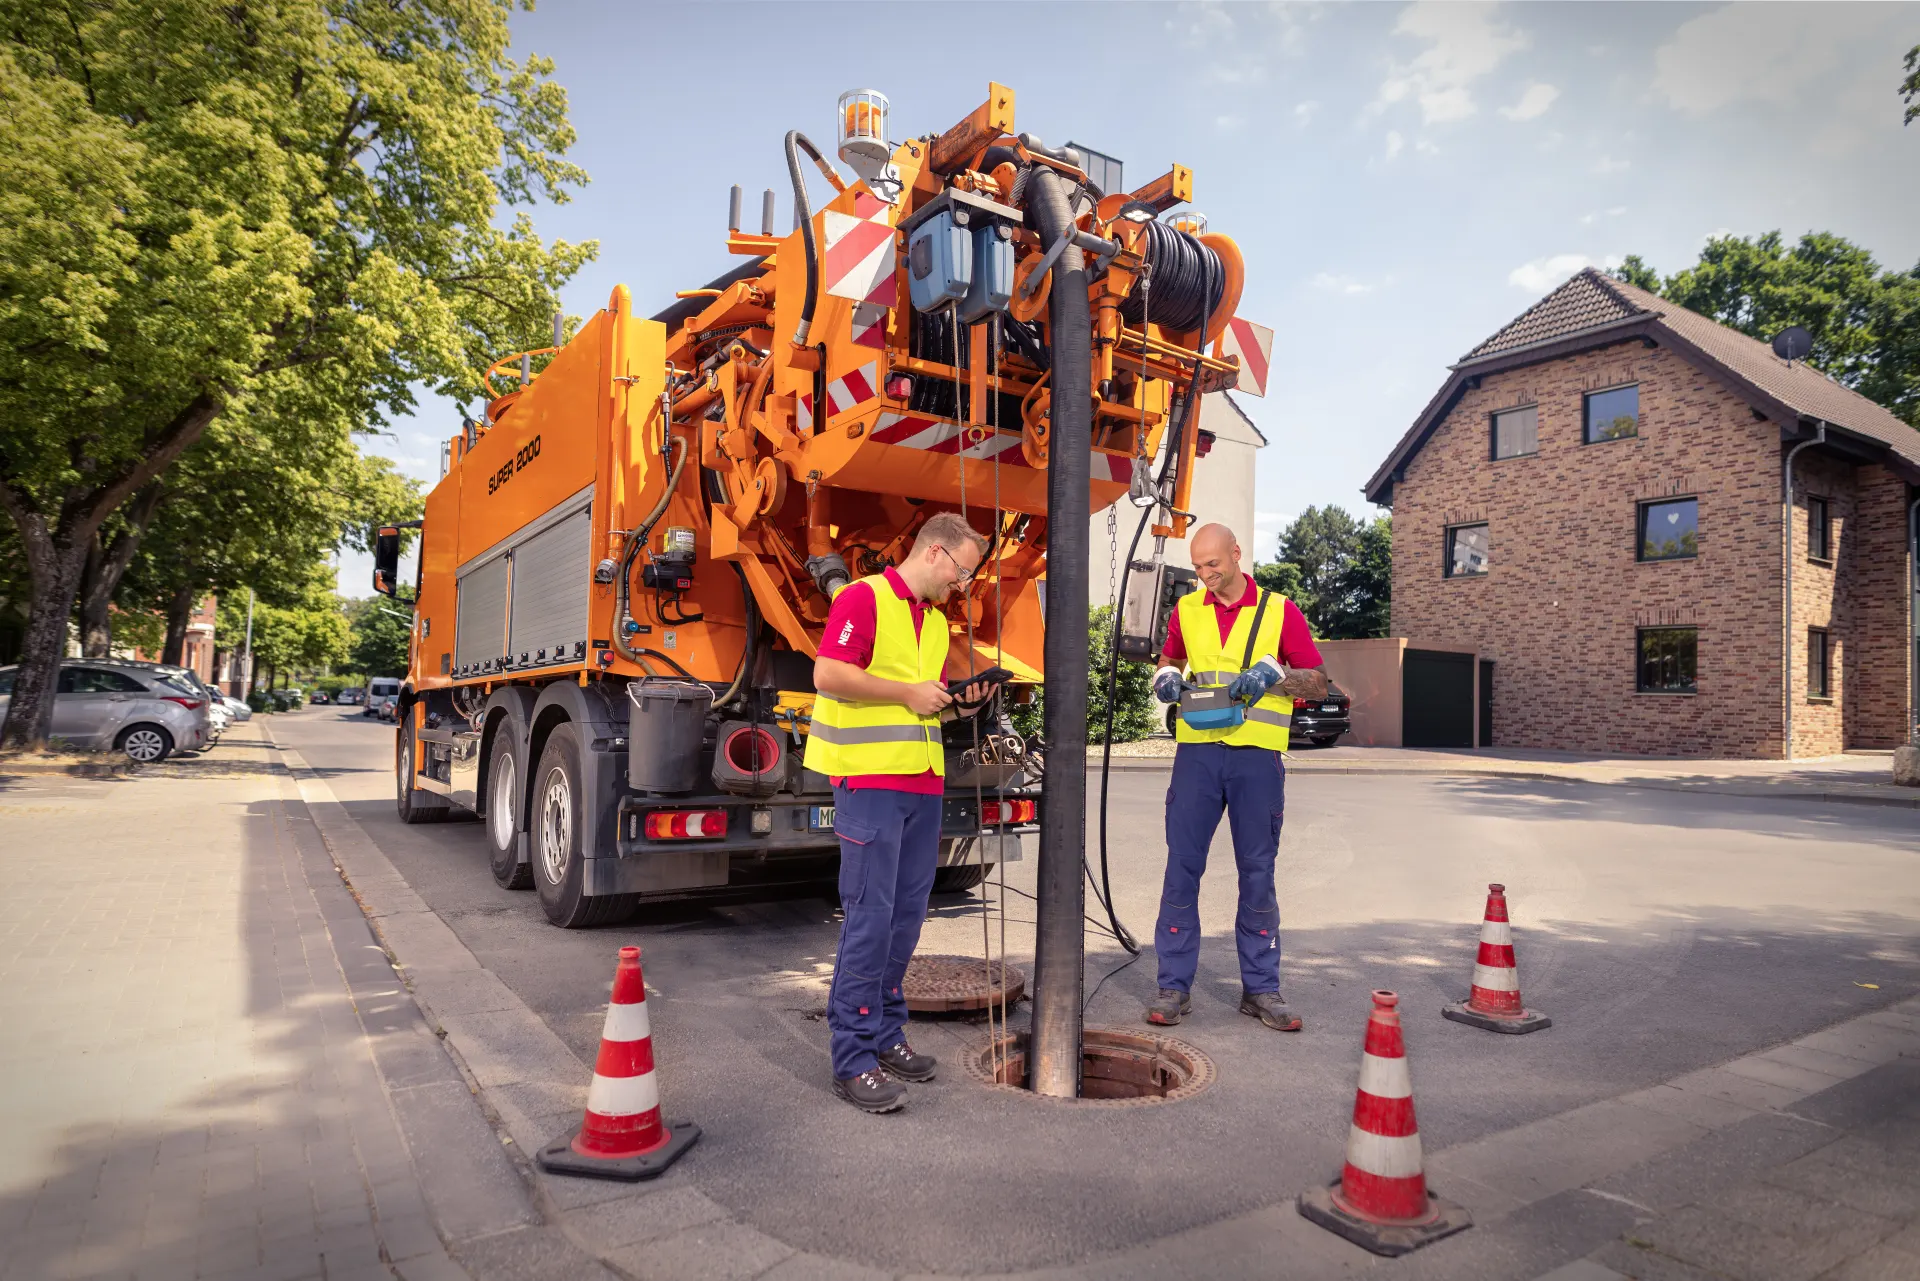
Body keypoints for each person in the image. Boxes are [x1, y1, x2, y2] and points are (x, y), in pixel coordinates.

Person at [806, 513, 994, 1113]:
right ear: (936, 553)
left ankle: (885, 1033)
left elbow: (922, 703)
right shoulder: (864, 599)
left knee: (908, 917)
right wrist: (909, 694)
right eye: (962, 571)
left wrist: (959, 703)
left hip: (922, 782)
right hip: (869, 782)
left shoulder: (935, 623)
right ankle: (854, 1056)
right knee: (870, 918)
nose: (963, 584)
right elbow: (829, 673)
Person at [1146, 523, 1328, 1032]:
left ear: (1236, 554)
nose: (1205, 576)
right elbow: (1170, 661)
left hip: (1257, 759)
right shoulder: (1186, 610)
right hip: (1198, 756)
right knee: (1182, 868)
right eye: (1198, 566)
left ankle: (1262, 989)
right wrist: (1165, 677)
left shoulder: (1279, 609)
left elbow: (1317, 679)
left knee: (1257, 873)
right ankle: (1172, 986)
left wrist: (1275, 676)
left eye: (1213, 565)